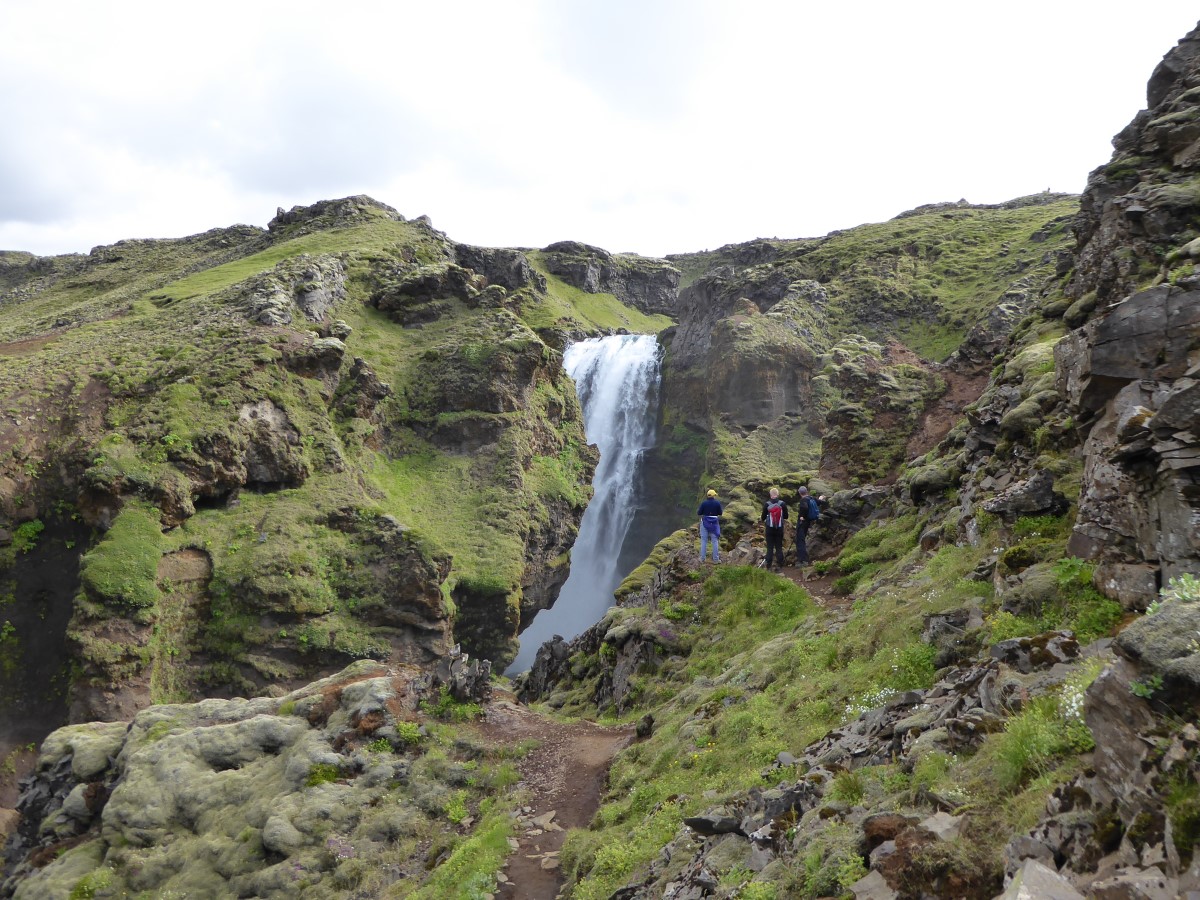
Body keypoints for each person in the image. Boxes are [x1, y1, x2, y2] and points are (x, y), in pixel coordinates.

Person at [794, 485, 825, 567]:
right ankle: (804, 559)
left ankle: (803, 561)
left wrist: (801, 516)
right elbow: (819, 502)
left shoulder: (803, 500)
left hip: (802, 522)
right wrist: (821, 498)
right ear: (806, 491)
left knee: (800, 540)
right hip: (808, 522)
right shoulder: (811, 498)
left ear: (799, 493)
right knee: (802, 538)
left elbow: (804, 507)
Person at [760, 487, 788, 571]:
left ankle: (768, 565)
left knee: (770, 547)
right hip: (779, 528)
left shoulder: (767, 504)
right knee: (779, 546)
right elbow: (786, 516)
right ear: (778, 494)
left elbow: (763, 517)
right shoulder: (782, 504)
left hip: (769, 529)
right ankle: (780, 565)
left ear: (770, 495)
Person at [697, 488, 723, 563]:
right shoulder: (717, 503)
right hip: (714, 523)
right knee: (714, 541)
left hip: (705, 522)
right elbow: (720, 513)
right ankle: (716, 559)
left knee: (704, 540)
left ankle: (702, 559)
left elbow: (699, 513)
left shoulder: (704, 503)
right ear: (714, 496)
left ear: (707, 496)